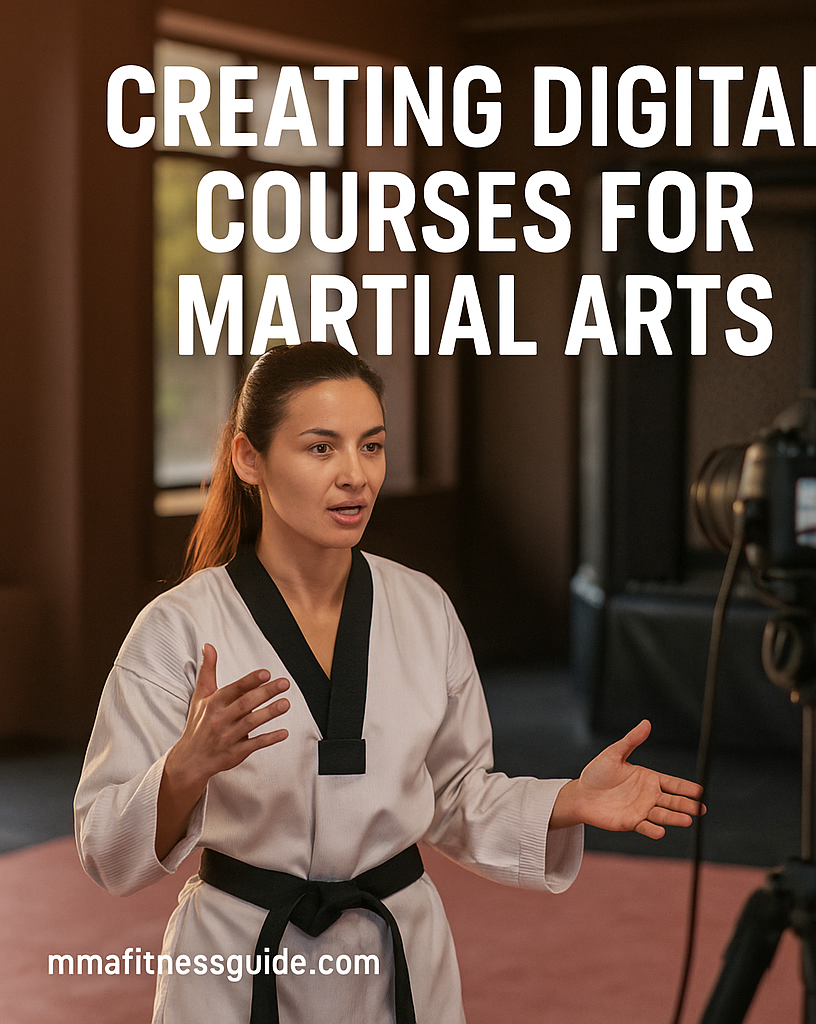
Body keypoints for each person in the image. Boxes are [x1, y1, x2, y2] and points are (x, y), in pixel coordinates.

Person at [74, 342, 704, 1024]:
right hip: (233, 965)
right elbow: (105, 848)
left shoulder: (421, 608)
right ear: (249, 458)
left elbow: (458, 795)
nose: (355, 475)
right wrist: (182, 770)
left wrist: (570, 801)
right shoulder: (178, 627)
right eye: (322, 449)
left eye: (371, 447)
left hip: (395, 957)